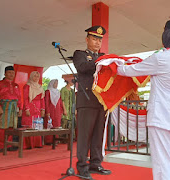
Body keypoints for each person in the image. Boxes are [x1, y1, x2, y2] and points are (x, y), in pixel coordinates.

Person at [117, 19, 170, 180]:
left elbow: (133, 70)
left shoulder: (161, 58)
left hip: (161, 115)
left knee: (162, 161)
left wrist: (115, 66)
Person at [72, 25, 111, 179]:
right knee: (84, 135)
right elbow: (83, 68)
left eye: (99, 40)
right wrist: (102, 61)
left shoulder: (103, 57)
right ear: (87, 39)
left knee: (98, 135)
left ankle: (96, 163)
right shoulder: (80, 54)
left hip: (101, 101)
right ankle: (82, 166)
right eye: (94, 39)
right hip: (86, 99)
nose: (97, 42)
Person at [0, 66, 22, 151]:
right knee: (1, 127)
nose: (11, 74)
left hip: (13, 107)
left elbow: (19, 98)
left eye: (13, 73)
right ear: (5, 73)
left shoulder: (16, 85)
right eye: (9, 73)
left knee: (11, 127)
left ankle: (8, 145)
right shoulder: (0, 83)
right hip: (3, 106)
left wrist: (20, 108)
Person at [21, 71, 45, 149]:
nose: (36, 78)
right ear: (31, 77)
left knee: (37, 125)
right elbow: (25, 99)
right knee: (29, 124)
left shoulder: (40, 87)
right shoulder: (27, 86)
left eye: (37, 77)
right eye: (34, 76)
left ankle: (37, 143)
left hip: (37, 107)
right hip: (30, 106)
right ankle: (28, 144)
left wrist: (42, 109)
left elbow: (42, 99)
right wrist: (26, 109)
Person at [44, 79, 66, 144]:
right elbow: (46, 102)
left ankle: (56, 140)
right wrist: (47, 111)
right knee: (50, 124)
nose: (56, 84)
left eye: (57, 83)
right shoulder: (48, 91)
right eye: (55, 83)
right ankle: (49, 141)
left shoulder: (58, 92)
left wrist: (62, 111)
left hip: (57, 111)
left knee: (56, 124)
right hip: (50, 110)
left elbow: (60, 102)